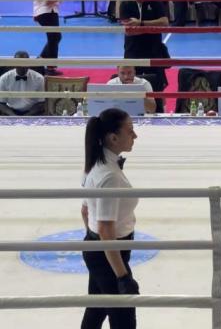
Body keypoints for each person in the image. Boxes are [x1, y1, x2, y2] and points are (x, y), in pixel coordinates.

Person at [80, 108, 140, 329]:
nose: (135, 136)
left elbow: (85, 211)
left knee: (97, 309)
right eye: (130, 131)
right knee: (124, 320)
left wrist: (92, 237)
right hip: (109, 252)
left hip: (100, 249)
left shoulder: (95, 164)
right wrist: (122, 276)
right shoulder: (109, 176)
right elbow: (106, 230)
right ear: (114, 138)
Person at [119, 0, 170, 110]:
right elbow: (129, 31)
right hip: (132, 53)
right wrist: (152, 28)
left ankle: (162, 113)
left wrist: (141, 24)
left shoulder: (155, 1)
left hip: (154, 52)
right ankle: (131, 112)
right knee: (131, 86)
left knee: (158, 88)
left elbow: (165, 22)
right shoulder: (125, 4)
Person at [31, 0, 63, 75]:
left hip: (39, 12)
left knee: (55, 37)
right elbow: (49, 0)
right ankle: (49, 67)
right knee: (54, 38)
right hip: (49, 12)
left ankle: (39, 62)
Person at [0, 51, 45, 116]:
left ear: (29, 63)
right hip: (10, 111)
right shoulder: (4, 78)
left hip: (32, 112)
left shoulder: (39, 78)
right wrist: (14, 116)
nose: (22, 66)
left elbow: (41, 103)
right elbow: (1, 103)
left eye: (25, 63)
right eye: (19, 63)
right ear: (14, 63)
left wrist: (27, 116)